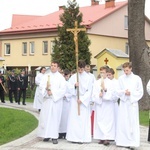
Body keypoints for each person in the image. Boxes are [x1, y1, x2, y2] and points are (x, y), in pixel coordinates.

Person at [115, 62, 143, 149]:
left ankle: (132, 141)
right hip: (124, 103)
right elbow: (117, 90)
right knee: (123, 122)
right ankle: (122, 141)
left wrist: (131, 93)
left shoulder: (137, 78)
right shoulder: (121, 79)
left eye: (127, 70)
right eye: (124, 70)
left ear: (131, 69)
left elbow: (140, 91)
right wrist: (124, 92)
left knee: (132, 122)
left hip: (132, 103)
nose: (125, 72)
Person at [37, 61, 66, 144]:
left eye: (55, 66)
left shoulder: (60, 77)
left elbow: (63, 89)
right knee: (46, 118)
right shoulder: (46, 76)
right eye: (52, 65)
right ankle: (46, 135)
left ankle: (54, 136)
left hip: (55, 102)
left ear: (57, 67)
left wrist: (52, 93)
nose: (53, 67)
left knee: (54, 119)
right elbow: (41, 87)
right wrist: (46, 89)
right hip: (47, 101)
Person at [66, 60, 93, 144]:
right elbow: (69, 87)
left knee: (82, 120)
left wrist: (82, 99)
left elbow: (89, 91)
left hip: (83, 101)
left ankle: (82, 138)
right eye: (78, 69)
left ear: (84, 68)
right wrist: (74, 86)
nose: (80, 70)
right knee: (74, 119)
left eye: (81, 69)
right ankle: (74, 137)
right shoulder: (74, 77)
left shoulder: (88, 78)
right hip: (75, 100)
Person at [92, 66, 115, 146]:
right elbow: (93, 94)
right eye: (101, 72)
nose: (102, 74)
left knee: (107, 121)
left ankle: (106, 137)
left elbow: (113, 94)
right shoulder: (96, 82)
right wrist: (99, 95)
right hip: (100, 104)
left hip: (107, 105)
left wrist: (105, 90)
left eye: (104, 73)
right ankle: (101, 137)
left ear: (106, 73)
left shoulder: (111, 82)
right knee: (99, 120)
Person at [59, 69, 71, 139]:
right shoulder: (61, 83)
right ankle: (59, 132)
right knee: (60, 117)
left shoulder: (69, 84)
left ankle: (65, 132)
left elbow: (71, 92)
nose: (65, 77)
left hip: (66, 102)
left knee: (66, 118)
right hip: (60, 102)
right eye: (64, 75)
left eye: (67, 76)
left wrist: (65, 96)